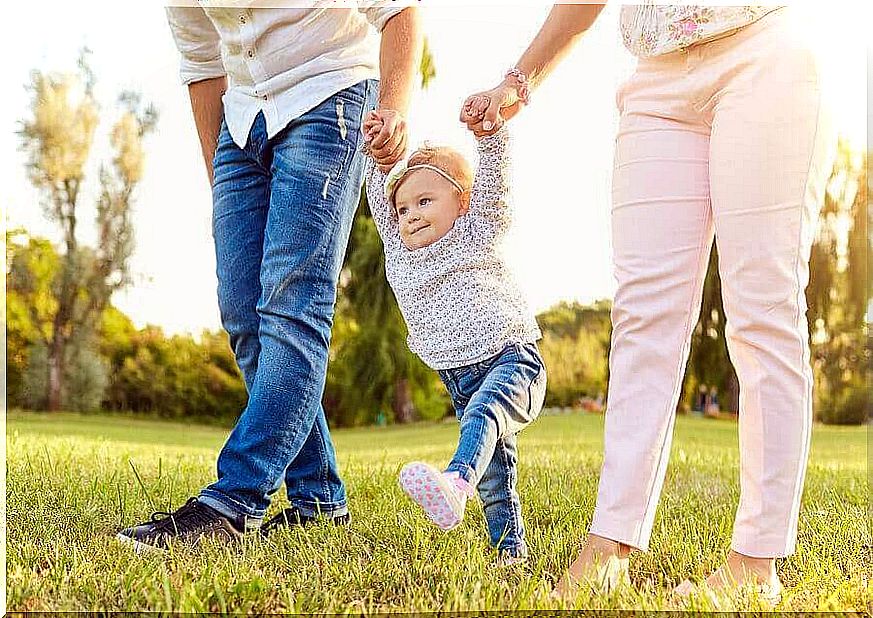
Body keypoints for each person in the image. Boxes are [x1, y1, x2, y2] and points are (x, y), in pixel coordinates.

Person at [461, 4, 830, 601]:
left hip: (763, 53)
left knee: (763, 311)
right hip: (656, 80)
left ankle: (755, 563)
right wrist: (517, 81)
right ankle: (609, 545)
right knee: (642, 317)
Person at [116, 5, 421, 550]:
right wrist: (225, 194)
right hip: (240, 120)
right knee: (242, 311)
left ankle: (233, 499)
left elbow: (398, 11)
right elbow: (202, 66)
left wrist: (395, 106)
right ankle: (319, 500)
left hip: (329, 98)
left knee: (290, 305)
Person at [363, 108, 546, 564]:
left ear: (461, 202)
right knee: (497, 477)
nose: (410, 215)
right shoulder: (402, 253)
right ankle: (511, 555)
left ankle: (455, 481)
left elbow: (493, 181)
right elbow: (376, 189)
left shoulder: (477, 228)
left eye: (425, 201)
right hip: (458, 377)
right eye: (403, 209)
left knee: (485, 416)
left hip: (512, 360)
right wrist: (376, 146)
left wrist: (489, 135)